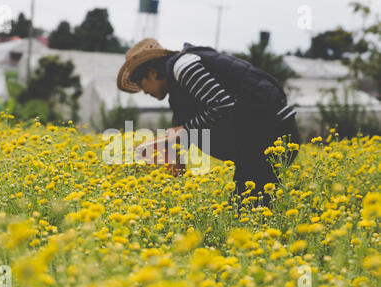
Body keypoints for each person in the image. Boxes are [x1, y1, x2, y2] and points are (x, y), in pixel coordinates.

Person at [116, 38, 300, 205]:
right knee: (247, 206)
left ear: (152, 73)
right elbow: (179, 139)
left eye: (141, 84)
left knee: (249, 209)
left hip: (273, 135)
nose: (143, 91)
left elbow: (222, 105)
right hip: (258, 141)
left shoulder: (183, 68)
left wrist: (185, 129)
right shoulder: (178, 90)